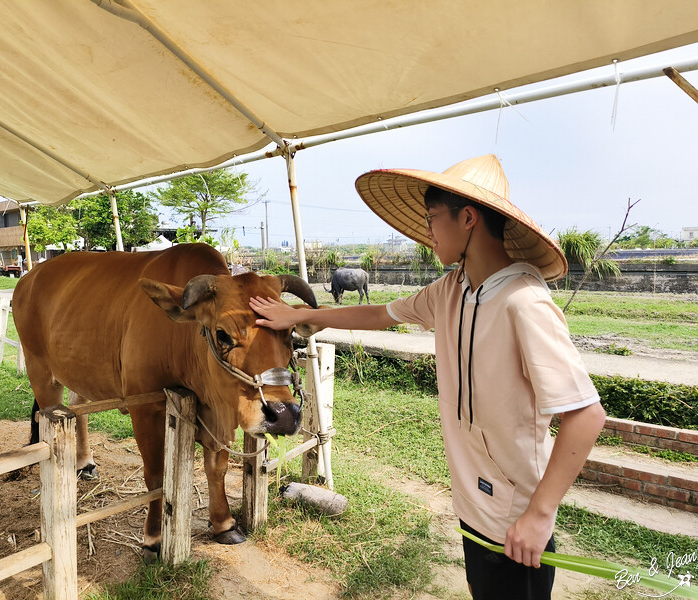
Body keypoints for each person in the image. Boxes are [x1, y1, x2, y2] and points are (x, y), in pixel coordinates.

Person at [249, 154, 606, 600]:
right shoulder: (451, 290)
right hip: (473, 508)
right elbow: (380, 312)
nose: (428, 230)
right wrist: (304, 315)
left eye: (433, 217)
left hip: (515, 521)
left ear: (469, 218)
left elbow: (587, 415)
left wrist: (539, 516)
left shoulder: (524, 302)